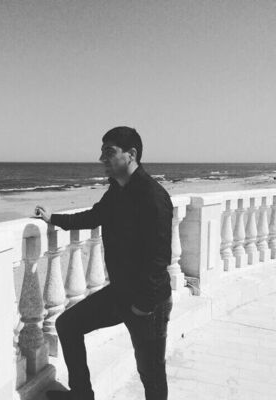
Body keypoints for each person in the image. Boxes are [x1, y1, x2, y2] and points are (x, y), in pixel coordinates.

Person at [34, 126, 174, 400]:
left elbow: (160, 258)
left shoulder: (153, 196)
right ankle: (82, 395)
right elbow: (93, 216)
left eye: (109, 152)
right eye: (102, 152)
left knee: (151, 373)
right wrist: (54, 218)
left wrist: (143, 305)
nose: (102, 159)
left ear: (131, 154)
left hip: (149, 303)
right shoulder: (117, 191)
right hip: (121, 293)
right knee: (68, 325)